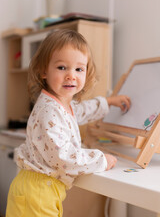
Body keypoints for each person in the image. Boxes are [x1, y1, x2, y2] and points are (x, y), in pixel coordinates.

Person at [6, 29, 131, 217]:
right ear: (43, 71)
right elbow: (64, 158)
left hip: (43, 191)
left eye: (79, 69)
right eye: (62, 67)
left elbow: (80, 111)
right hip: (37, 193)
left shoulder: (62, 104)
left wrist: (108, 102)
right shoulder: (49, 111)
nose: (71, 75)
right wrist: (101, 160)